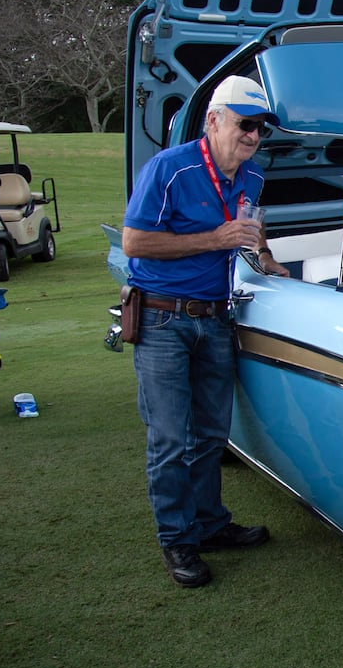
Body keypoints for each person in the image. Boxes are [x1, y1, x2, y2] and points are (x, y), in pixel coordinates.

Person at [122, 75, 289, 588]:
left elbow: (250, 228)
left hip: (215, 317)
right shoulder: (169, 169)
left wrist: (265, 257)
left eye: (261, 128)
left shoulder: (252, 178)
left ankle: (210, 524)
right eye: (245, 125)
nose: (254, 136)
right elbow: (133, 241)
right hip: (162, 317)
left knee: (213, 434)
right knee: (171, 438)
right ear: (213, 120)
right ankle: (178, 541)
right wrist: (213, 237)